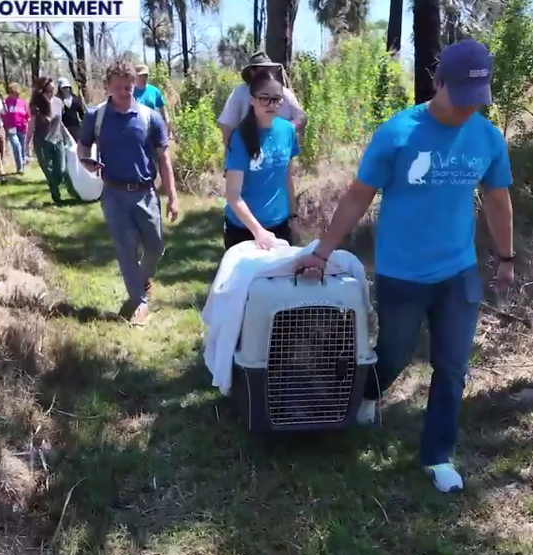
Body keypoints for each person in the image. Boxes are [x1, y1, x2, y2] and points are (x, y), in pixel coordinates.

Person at [292, 39, 516, 494]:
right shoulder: (397, 133)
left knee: (452, 367)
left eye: (479, 100)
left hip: (458, 272)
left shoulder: (487, 137)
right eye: (461, 97)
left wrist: (506, 257)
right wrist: (323, 251)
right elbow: (359, 194)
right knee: (393, 353)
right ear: (439, 83)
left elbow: (497, 199)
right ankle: (369, 392)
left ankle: (437, 456)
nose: (469, 109)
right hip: (402, 273)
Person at [78, 60, 179, 327]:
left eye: (130, 86)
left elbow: (164, 160)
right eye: (120, 87)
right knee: (125, 250)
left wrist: (172, 196)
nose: (126, 92)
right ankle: (139, 302)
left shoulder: (149, 118)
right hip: (113, 194)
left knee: (155, 247)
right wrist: (86, 161)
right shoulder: (95, 116)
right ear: (108, 87)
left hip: (146, 193)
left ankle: (143, 278)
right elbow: (83, 147)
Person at [222, 72, 299, 251]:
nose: (271, 104)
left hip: (279, 225)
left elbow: (287, 179)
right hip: (243, 229)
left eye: (277, 99)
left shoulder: (288, 131)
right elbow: (233, 195)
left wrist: (293, 218)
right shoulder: (239, 137)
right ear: (252, 100)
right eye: (264, 98)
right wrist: (258, 231)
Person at [217, 52, 306, 147]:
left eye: (270, 69)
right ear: (252, 73)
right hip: (249, 149)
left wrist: (289, 128)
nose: (267, 73)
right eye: (263, 70)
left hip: (280, 150)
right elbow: (226, 124)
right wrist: (232, 149)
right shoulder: (240, 93)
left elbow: (301, 116)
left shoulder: (284, 92)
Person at [30, 77, 67, 205]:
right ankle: (57, 197)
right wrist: (27, 143)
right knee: (49, 170)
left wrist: (68, 137)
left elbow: (60, 122)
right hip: (42, 141)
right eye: (50, 85)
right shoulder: (36, 105)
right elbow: (32, 125)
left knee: (61, 169)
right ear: (44, 87)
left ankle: (56, 187)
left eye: (53, 84)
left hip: (58, 139)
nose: (53, 86)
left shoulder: (58, 102)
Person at [2, 82, 30, 175]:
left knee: (22, 147)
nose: (17, 96)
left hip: (22, 128)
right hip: (11, 128)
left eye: (18, 94)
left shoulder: (23, 102)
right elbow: (3, 114)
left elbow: (27, 115)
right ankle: (20, 167)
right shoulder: (6, 102)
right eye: (15, 94)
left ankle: (22, 165)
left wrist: (29, 123)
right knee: (16, 146)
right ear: (10, 93)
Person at [133, 64, 168, 131]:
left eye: (146, 76)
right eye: (141, 76)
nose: (144, 78)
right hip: (136, 127)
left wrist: (166, 125)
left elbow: (162, 109)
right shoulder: (130, 92)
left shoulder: (154, 91)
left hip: (152, 127)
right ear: (135, 77)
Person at [56, 77, 86, 141]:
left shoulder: (75, 99)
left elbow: (81, 112)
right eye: (64, 88)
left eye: (67, 87)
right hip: (63, 128)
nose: (66, 89)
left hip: (75, 127)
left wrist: (84, 122)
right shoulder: (57, 100)